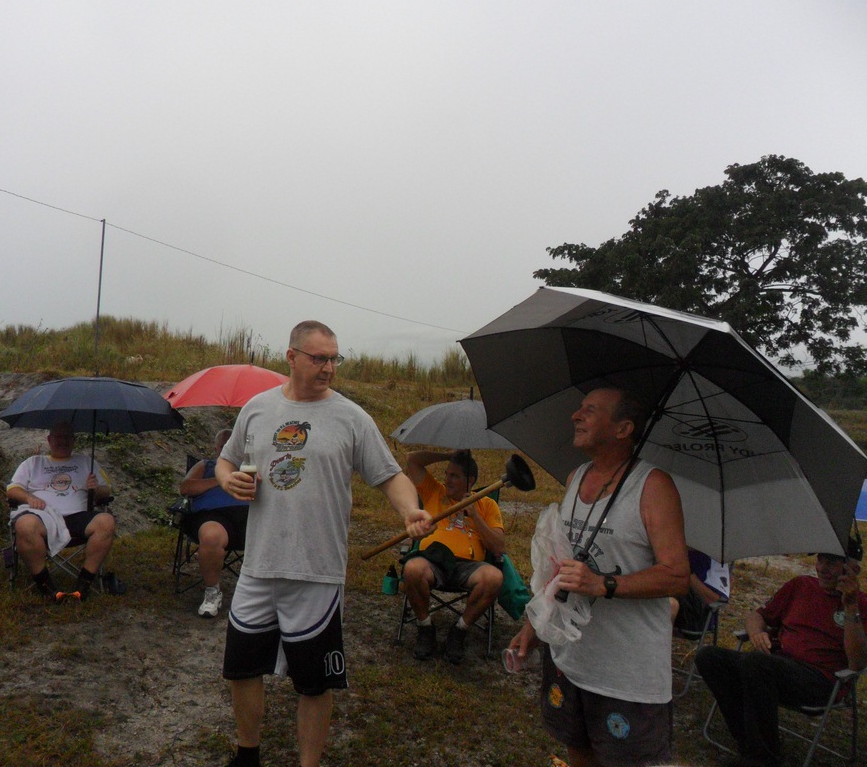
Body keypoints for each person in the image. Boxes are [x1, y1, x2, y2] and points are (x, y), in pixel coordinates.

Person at [214, 320, 430, 767]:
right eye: (319, 358)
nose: (329, 368)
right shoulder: (257, 409)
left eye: (334, 359)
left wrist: (410, 509)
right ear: (292, 357)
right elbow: (226, 460)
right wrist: (227, 479)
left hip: (318, 570)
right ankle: (247, 755)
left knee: (314, 682)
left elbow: (390, 476)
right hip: (259, 565)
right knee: (241, 668)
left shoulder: (352, 418)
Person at [507, 387, 690, 767]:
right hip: (571, 658)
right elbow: (562, 563)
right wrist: (535, 623)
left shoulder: (653, 486)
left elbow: (677, 575)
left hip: (626, 673)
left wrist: (603, 584)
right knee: (578, 752)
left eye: (590, 410)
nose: (576, 415)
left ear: (623, 429)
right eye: (580, 407)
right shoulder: (576, 477)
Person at [695, 552, 867, 767]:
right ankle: (750, 741)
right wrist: (757, 633)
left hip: (820, 680)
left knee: (756, 663)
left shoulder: (861, 605)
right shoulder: (801, 585)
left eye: (831, 563)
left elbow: (857, 663)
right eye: (820, 560)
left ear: (851, 569)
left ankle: (763, 758)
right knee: (709, 657)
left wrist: (851, 607)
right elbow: (757, 616)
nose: (822, 568)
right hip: (777, 665)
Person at [403, 449, 505, 663]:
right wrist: (448, 455)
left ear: (470, 481)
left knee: (494, 577)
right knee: (412, 569)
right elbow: (412, 460)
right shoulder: (434, 491)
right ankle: (425, 627)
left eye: (454, 476)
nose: (447, 480)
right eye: (446, 474)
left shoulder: (487, 504)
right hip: (433, 561)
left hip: (468, 567)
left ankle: (459, 630)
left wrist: (475, 515)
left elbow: (498, 547)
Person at [6, 421, 114, 602]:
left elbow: (106, 491)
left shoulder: (87, 463)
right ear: (49, 439)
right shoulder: (33, 463)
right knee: (24, 525)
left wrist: (96, 489)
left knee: (106, 521)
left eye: (67, 437)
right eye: (58, 437)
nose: (63, 441)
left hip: (78, 518)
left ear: (74, 440)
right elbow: (12, 490)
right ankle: (46, 586)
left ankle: (84, 583)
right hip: (42, 516)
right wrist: (29, 498)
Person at [180, 428, 249, 618]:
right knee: (211, 536)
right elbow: (185, 487)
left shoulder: (250, 467)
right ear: (216, 449)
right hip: (214, 515)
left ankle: (271, 593)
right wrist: (220, 478)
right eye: (224, 446)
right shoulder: (205, 465)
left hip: (250, 515)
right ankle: (212, 592)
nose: (229, 449)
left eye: (233, 445)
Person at [669, 547, 729, 632]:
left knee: (670, 604)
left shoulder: (716, 558)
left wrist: (688, 574)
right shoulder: (666, 549)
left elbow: (715, 600)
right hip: (664, 599)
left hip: (695, 614)